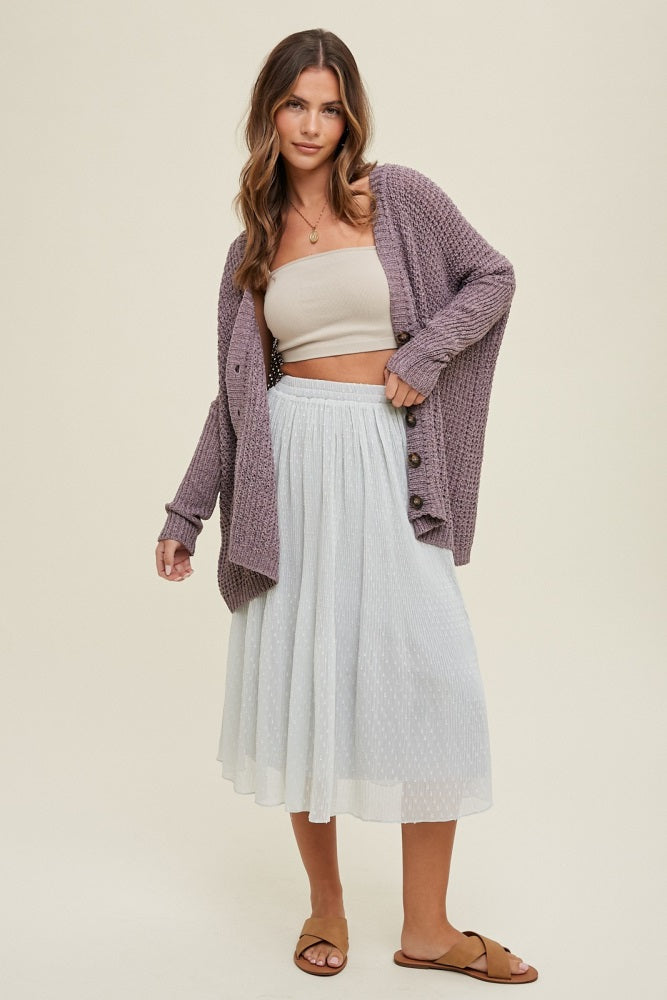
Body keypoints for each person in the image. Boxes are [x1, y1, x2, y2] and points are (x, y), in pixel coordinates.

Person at [155, 27, 537, 986]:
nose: (311, 125)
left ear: (349, 116)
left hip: (388, 457)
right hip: (288, 470)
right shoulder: (250, 248)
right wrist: (186, 513)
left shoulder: (397, 196)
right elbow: (233, 400)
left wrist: (423, 355)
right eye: (295, 104)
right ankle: (325, 905)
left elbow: (492, 277)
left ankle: (427, 929)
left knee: (436, 679)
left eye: (328, 107)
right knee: (307, 682)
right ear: (269, 113)